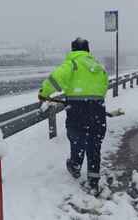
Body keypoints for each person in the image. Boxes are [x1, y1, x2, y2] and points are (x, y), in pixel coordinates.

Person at [38, 38, 109, 193]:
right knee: (94, 143)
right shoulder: (98, 67)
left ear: (73, 50)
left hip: (78, 109)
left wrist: (44, 93)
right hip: (97, 109)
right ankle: (93, 179)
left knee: (77, 138)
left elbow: (55, 80)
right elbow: (105, 86)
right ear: (88, 50)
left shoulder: (73, 64)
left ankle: (75, 165)